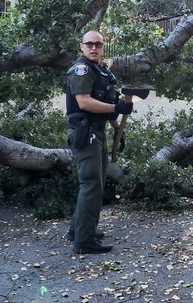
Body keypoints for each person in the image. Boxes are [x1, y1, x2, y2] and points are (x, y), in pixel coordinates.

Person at [65, 30, 133, 255]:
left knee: (96, 183)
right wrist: (118, 108)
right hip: (85, 134)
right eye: (89, 44)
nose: (94, 48)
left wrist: (118, 131)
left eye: (98, 44)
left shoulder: (101, 70)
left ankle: (79, 230)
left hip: (98, 132)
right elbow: (84, 102)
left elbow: (105, 102)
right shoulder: (81, 69)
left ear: (103, 47)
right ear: (81, 46)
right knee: (91, 184)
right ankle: (84, 242)